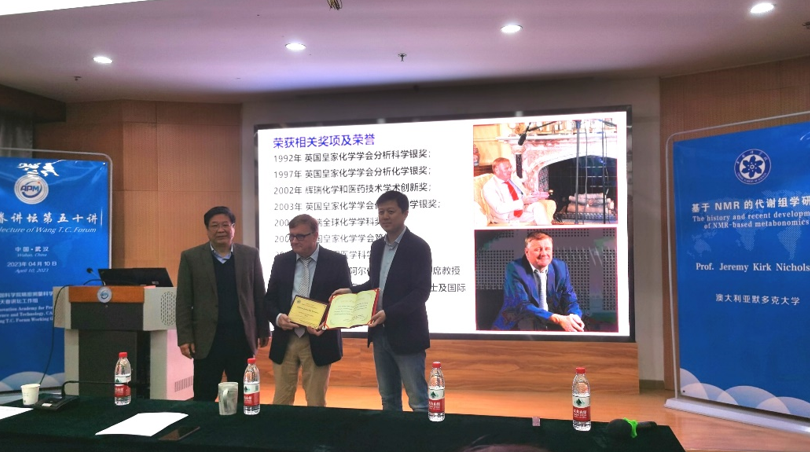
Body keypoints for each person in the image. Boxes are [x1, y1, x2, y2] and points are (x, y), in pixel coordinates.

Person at [333, 190, 432, 411]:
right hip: (380, 334)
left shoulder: (418, 247)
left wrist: (389, 313)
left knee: (418, 401)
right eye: (381, 212)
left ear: (405, 213)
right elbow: (376, 284)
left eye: (390, 211)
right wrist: (351, 291)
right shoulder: (377, 247)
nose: (385, 216)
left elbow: (421, 292)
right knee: (388, 398)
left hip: (407, 333)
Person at [175, 206, 269, 401]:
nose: (220, 230)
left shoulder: (250, 255)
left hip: (241, 337)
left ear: (233, 227)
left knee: (244, 395)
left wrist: (263, 329)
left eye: (225, 225)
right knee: (204, 395)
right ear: (207, 229)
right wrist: (184, 337)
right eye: (215, 225)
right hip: (207, 339)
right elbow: (183, 300)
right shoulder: (191, 257)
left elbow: (259, 295)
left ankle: (240, 422)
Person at [264, 214, 351, 406]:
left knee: (316, 401)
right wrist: (278, 318)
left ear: (315, 235)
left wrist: (324, 323)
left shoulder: (336, 261)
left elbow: (343, 303)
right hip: (286, 338)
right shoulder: (281, 261)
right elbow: (269, 300)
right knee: (281, 400)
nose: (294, 241)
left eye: (300, 236)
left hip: (319, 340)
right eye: (291, 236)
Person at [493, 231, 584, 332]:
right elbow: (522, 306)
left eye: (547, 249)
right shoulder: (515, 268)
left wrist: (574, 316)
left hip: (550, 326)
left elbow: (570, 300)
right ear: (527, 252)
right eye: (537, 249)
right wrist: (558, 319)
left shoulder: (560, 267)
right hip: (517, 326)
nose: (544, 253)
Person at [482, 157, 554, 225]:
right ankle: (546, 231)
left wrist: (533, 195)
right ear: (497, 170)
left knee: (538, 206)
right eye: (506, 168)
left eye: (510, 167)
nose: (510, 170)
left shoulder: (513, 178)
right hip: (507, 216)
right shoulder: (489, 187)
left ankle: (547, 231)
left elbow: (524, 193)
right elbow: (499, 208)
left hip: (522, 209)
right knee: (539, 217)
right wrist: (522, 201)